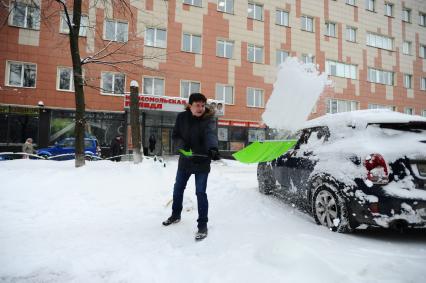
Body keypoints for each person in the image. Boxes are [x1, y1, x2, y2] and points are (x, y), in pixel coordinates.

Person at [162, 93, 220, 241]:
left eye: (202, 105)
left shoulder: (209, 119)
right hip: (186, 160)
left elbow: (211, 135)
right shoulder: (181, 118)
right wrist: (183, 147)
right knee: (178, 188)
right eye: (197, 105)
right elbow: (175, 136)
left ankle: (202, 225)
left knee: (200, 192)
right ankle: (175, 215)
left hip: (202, 161)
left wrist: (213, 148)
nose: (200, 108)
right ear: (190, 105)